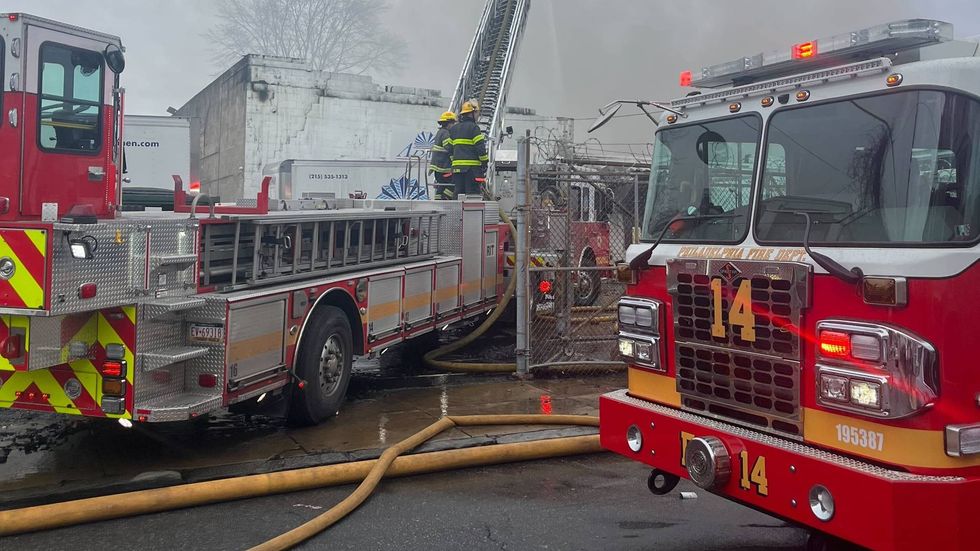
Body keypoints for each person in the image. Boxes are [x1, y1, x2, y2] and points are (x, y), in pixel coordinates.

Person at [449, 100, 489, 199]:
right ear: (471, 114)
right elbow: (480, 148)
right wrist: (484, 162)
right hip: (471, 170)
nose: (477, 115)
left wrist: (454, 162)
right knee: (472, 195)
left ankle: (456, 214)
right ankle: (471, 215)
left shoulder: (454, 129)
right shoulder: (474, 128)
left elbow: (450, 149)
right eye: (476, 113)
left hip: (457, 169)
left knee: (458, 194)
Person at [430, 111, 456, 200]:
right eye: (453, 123)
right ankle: (446, 197)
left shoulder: (439, 132)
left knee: (441, 184)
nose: (454, 125)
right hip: (444, 167)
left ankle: (438, 200)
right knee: (455, 182)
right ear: (449, 123)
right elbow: (449, 147)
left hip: (437, 168)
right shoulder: (446, 133)